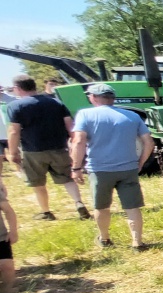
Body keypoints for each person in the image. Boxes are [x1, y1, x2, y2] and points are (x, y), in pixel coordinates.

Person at [70, 83, 154, 249]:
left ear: (93, 97)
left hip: (99, 169)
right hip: (128, 168)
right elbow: (149, 142)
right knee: (132, 206)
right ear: (112, 98)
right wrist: (141, 162)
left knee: (101, 206)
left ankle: (105, 239)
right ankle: (137, 242)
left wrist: (76, 167)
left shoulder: (85, 115)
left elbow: (78, 141)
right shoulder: (132, 116)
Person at [6, 74, 91, 221]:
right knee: (67, 179)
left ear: (17, 88)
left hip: (32, 151)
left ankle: (46, 212)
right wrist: (74, 144)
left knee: (38, 183)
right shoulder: (55, 103)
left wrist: (13, 152)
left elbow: (14, 131)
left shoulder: (15, 106)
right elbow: (70, 125)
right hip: (59, 148)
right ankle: (79, 203)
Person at [0, 169, 18, 293]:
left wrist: (13, 231)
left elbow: (8, 211)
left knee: (7, 266)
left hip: (0, 235)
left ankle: (7, 291)